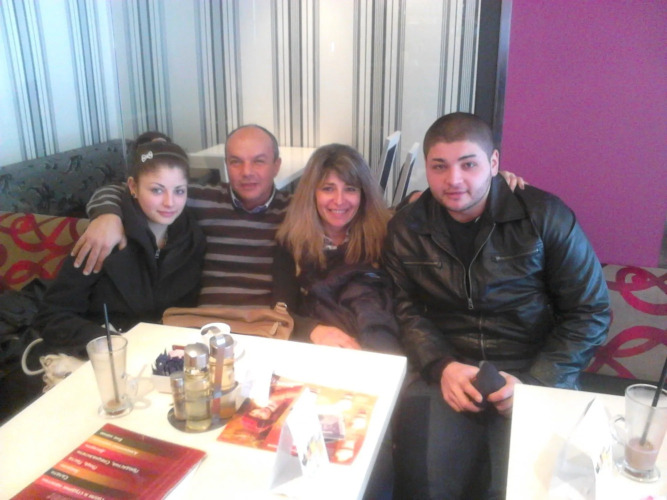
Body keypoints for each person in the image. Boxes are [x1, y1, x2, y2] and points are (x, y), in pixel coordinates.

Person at [382, 112, 610, 499]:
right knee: (424, 486)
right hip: (449, 369)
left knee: (529, 490)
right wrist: (440, 365)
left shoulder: (543, 216)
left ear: (493, 163)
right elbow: (404, 309)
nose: (454, 180)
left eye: (468, 164)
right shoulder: (407, 228)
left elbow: (589, 311)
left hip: (534, 367)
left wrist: (537, 384)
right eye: (440, 166)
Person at [73, 124, 290, 308]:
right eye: (236, 161)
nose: (247, 172)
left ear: (276, 166)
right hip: (204, 325)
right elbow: (129, 190)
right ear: (226, 166)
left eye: (259, 161)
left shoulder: (295, 211)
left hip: (267, 327)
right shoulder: (199, 198)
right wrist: (106, 216)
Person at [32, 140, 206, 353]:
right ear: (132, 187)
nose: (170, 202)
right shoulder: (104, 237)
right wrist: (112, 344)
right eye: (157, 190)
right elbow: (52, 316)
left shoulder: (192, 238)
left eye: (179, 191)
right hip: (107, 354)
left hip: (167, 354)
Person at [274, 143, 401, 354]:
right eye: (328, 188)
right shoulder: (292, 242)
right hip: (320, 350)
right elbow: (281, 310)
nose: (339, 201)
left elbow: (402, 304)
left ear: (364, 195)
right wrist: (312, 330)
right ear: (312, 194)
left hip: (378, 346)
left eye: (350, 189)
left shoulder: (383, 237)